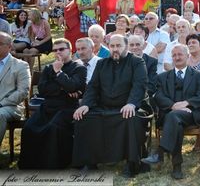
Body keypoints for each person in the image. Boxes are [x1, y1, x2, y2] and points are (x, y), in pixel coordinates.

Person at [72, 34, 151, 178]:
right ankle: (90, 162)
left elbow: (139, 85)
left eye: (118, 46)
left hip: (130, 106)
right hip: (105, 106)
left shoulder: (137, 62)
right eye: (112, 46)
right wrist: (86, 105)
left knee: (130, 118)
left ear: (126, 47)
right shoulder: (102, 64)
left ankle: (131, 163)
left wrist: (131, 103)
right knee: (84, 117)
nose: (115, 49)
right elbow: (93, 87)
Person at [18, 39, 86, 169]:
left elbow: (74, 86)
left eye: (61, 49)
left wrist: (59, 73)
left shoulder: (79, 68)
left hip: (67, 108)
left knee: (52, 128)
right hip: (47, 107)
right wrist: (63, 88)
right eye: (55, 50)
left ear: (70, 50)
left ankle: (51, 164)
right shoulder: (48, 68)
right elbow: (43, 90)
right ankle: (31, 164)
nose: (58, 52)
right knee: (28, 127)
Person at [152, 44, 200, 179]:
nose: (177, 57)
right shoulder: (163, 77)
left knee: (174, 118)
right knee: (175, 121)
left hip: (191, 114)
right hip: (170, 114)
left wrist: (187, 103)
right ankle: (176, 166)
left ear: (187, 56)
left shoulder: (198, 76)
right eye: (174, 55)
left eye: (180, 54)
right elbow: (158, 96)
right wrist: (172, 106)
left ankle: (161, 152)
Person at [0, 32, 30, 150]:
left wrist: (1, 103)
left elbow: (23, 91)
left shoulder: (21, 66)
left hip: (11, 106)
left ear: (9, 47)